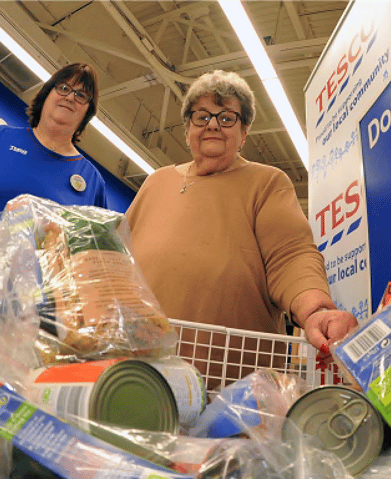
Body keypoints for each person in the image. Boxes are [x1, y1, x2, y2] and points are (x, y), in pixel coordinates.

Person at [125, 69, 358, 360]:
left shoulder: (267, 182)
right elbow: (119, 258)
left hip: (231, 377)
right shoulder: (156, 182)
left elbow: (292, 256)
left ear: (244, 132)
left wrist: (316, 310)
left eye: (226, 118)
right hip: (141, 365)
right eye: (202, 116)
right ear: (188, 130)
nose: (212, 125)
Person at [0, 63, 108, 211]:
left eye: (81, 95)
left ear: (87, 113)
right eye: (64, 88)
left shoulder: (92, 181)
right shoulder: (3, 137)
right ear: (46, 94)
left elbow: (95, 233)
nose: (70, 97)